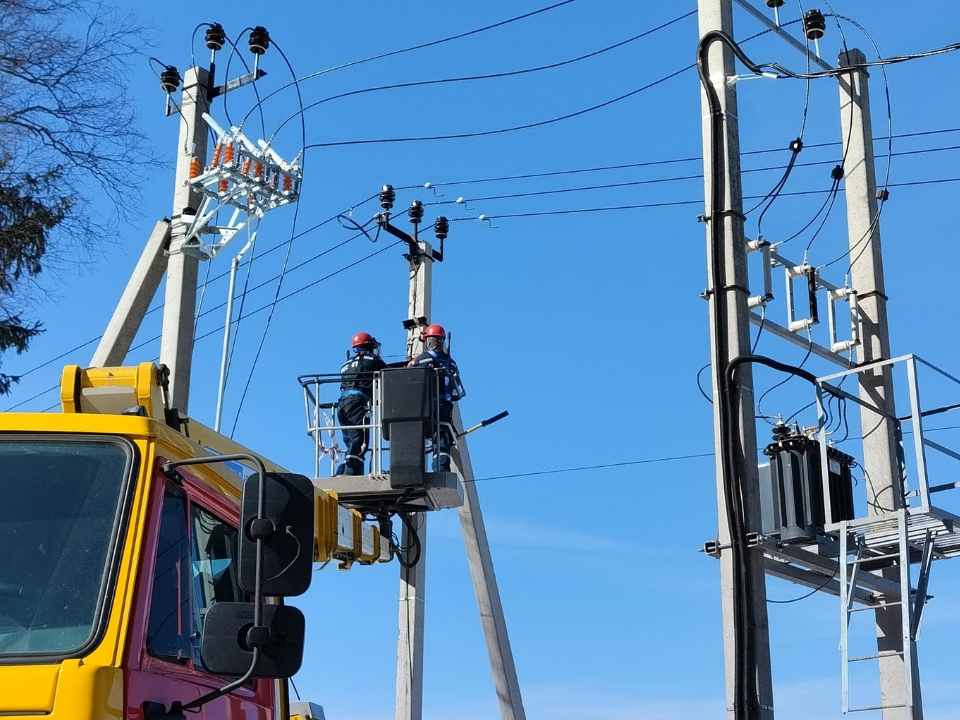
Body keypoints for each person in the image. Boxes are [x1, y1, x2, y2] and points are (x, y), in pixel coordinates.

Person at [411, 324, 465, 472]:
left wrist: (411, 364)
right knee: (442, 436)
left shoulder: (424, 358)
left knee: (414, 433)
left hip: (428, 405)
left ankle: (411, 468)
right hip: (445, 406)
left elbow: (412, 379)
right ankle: (441, 469)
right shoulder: (450, 362)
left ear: (428, 341)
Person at [335, 331, 386, 476]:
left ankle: (344, 469)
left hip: (342, 404)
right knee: (360, 441)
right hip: (357, 403)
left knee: (350, 440)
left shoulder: (346, 364)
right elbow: (388, 373)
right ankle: (350, 472)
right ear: (369, 346)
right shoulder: (372, 359)